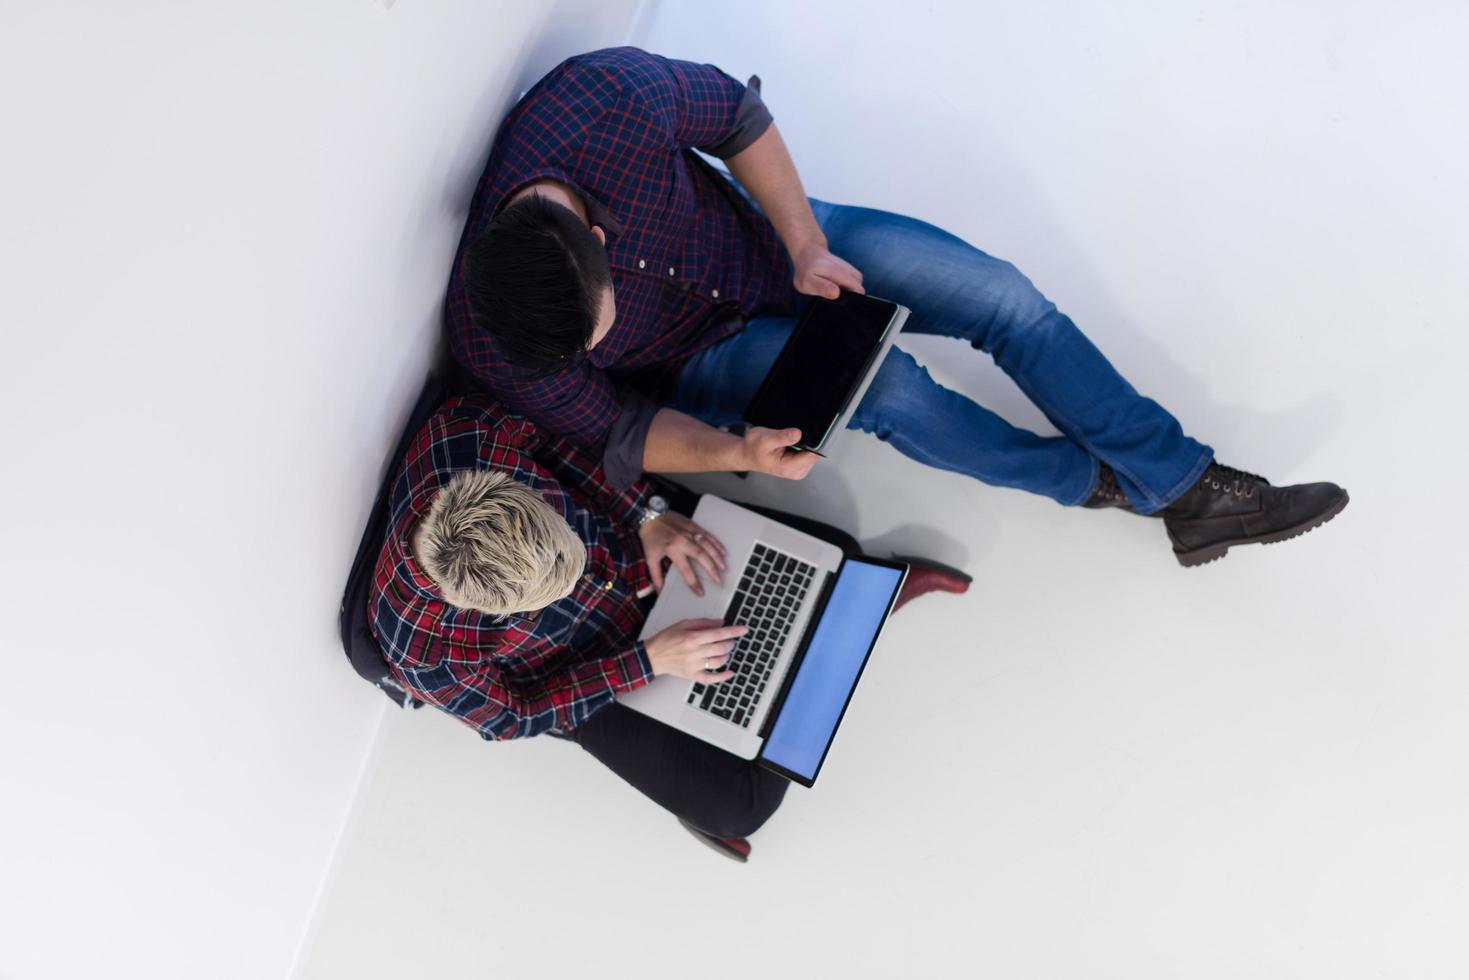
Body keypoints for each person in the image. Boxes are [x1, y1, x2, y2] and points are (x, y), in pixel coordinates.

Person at [446, 47, 1347, 567]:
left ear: (595, 242)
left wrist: (803, 242)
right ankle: (1100, 483)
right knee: (894, 396)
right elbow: (621, 429)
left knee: (1002, 297)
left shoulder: (600, 102)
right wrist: (731, 452)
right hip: (703, 355)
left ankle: (1184, 488)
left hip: (775, 238)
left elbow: (735, 120)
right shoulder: (504, 341)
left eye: (599, 322)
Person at [368, 394, 966, 861]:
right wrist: (647, 662)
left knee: (833, 551)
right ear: (491, 612)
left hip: (630, 547)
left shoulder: (472, 432)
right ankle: (850, 617)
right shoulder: (423, 651)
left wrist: (645, 513)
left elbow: (554, 439)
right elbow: (511, 716)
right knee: (741, 806)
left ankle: (851, 608)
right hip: (591, 668)